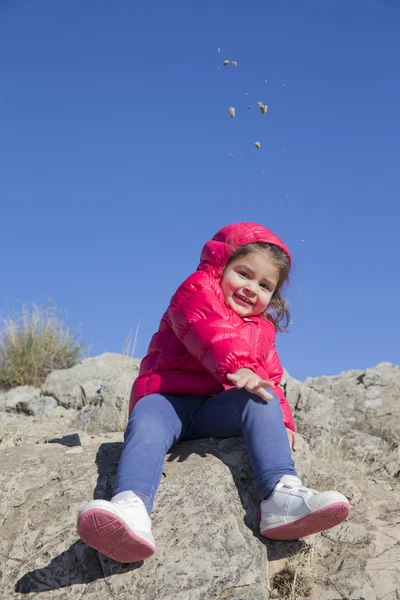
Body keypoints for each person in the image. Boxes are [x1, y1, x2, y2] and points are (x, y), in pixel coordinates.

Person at [77, 222, 350, 563]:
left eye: (265, 285)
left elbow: (270, 379)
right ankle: (130, 508)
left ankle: (281, 495)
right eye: (244, 274)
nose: (252, 288)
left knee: (260, 397)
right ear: (221, 265)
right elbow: (205, 327)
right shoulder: (196, 290)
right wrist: (236, 365)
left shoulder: (262, 329)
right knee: (146, 421)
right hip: (167, 399)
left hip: (213, 414)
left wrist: (283, 422)